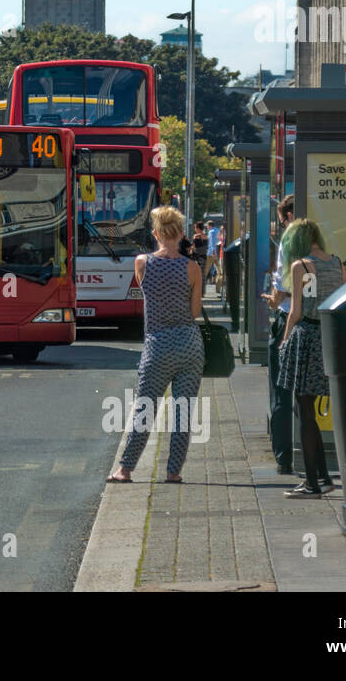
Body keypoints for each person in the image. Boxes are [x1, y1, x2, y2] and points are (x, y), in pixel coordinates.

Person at [107, 206, 204, 484]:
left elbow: (147, 291)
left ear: (156, 233)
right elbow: (195, 311)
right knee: (183, 410)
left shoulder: (142, 263)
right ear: (181, 234)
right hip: (189, 345)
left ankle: (125, 469)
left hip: (158, 344)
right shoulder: (193, 268)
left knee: (145, 406)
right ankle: (173, 472)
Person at [277, 218, 346, 497]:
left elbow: (295, 311)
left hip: (306, 337)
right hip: (329, 337)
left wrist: (284, 342)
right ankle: (323, 478)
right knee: (310, 412)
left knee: (304, 410)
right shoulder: (337, 262)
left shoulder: (301, 266)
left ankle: (313, 484)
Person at [263, 194, 296, 474]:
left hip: (287, 316)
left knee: (281, 389)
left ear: (286, 216)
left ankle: (284, 456)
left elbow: (283, 284)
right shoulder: (321, 242)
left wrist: (273, 300)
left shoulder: (288, 242)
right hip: (315, 319)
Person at [204, 220, 222, 290]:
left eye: (207, 226)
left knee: (205, 271)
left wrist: (213, 251)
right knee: (219, 272)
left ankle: (202, 288)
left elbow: (211, 243)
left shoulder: (211, 232)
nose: (207, 227)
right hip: (218, 253)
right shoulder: (218, 231)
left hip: (211, 254)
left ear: (210, 226)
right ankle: (218, 289)